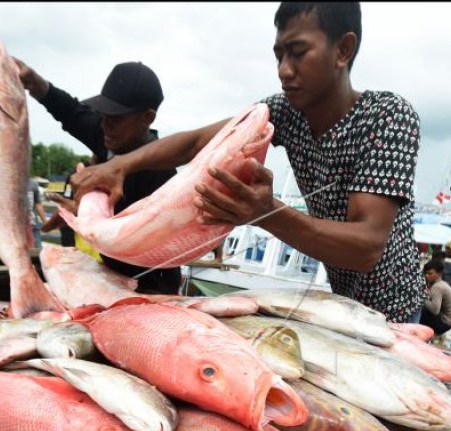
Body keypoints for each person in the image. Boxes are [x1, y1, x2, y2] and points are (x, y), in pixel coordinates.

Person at [67, 2, 424, 322]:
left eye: (298, 53)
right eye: (279, 55)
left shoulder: (387, 117)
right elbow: (196, 141)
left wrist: (265, 211)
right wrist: (120, 166)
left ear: (343, 49)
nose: (284, 70)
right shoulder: (286, 112)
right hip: (342, 305)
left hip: (396, 313)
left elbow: (367, 246)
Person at [14, 58, 181, 294]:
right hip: (108, 277)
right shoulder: (109, 136)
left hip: (152, 287)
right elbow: (70, 111)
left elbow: (150, 242)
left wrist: (79, 215)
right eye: (103, 115)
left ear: (147, 118)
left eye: (116, 117)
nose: (105, 124)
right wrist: (33, 81)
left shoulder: (163, 175)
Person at [420, 259, 451, 335]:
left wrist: (422, 297)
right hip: (450, 322)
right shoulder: (443, 284)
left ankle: (420, 334)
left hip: (445, 323)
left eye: (430, 273)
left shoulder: (437, 287)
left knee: (421, 308)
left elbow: (435, 310)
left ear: (439, 274)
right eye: (426, 273)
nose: (427, 276)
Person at [27, 177, 47, 250]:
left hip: (32, 224)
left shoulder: (33, 183)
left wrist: (45, 221)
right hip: (16, 227)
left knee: (38, 251)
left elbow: (38, 204)